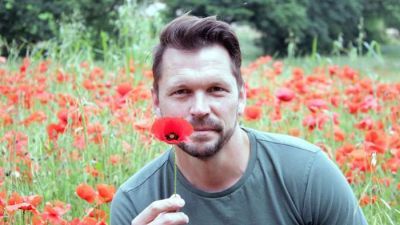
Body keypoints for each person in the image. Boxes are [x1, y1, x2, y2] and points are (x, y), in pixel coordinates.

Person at [110, 14, 368, 225]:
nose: (200, 109)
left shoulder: (307, 173)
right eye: (181, 92)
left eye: (216, 89)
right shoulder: (136, 203)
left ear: (242, 96)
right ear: (156, 101)